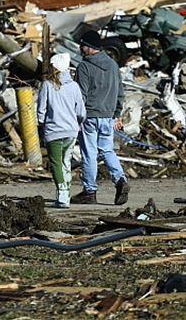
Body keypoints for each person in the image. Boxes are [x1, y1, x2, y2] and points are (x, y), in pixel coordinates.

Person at [71, 30, 129, 205]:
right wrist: (117, 115)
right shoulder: (113, 65)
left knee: (89, 154)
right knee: (107, 150)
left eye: (82, 45)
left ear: (90, 47)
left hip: (89, 116)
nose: (80, 48)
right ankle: (120, 179)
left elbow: (81, 95)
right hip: (107, 116)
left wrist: (77, 117)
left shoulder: (84, 67)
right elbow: (120, 92)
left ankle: (90, 191)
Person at [36, 53, 85, 208]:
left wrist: (42, 122)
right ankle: (65, 195)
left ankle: (63, 195)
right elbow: (81, 112)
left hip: (53, 131)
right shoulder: (74, 86)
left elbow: (41, 110)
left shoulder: (47, 85)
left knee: (56, 163)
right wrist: (77, 122)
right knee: (66, 163)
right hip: (71, 131)